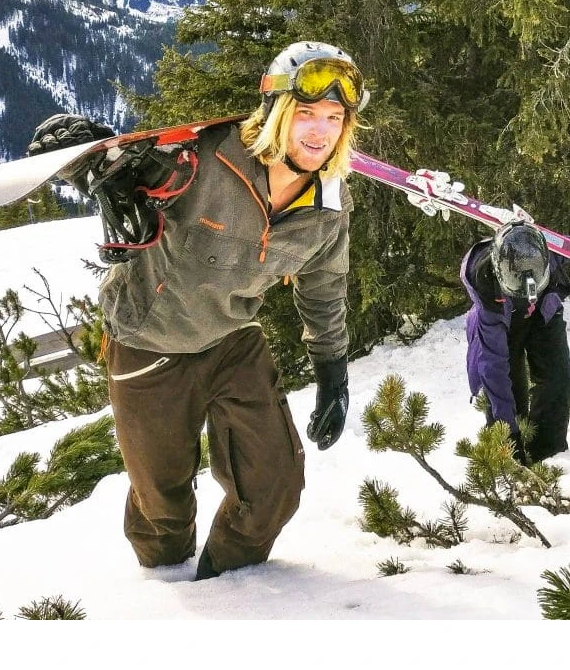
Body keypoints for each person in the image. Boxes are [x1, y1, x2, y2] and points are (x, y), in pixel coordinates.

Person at [27, 41, 370, 579]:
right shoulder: (203, 161)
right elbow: (128, 174)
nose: (319, 131)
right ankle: (163, 586)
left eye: (334, 117)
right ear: (277, 111)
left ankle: (228, 583)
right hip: (148, 342)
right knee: (161, 509)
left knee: (274, 487)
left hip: (232, 340)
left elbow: (324, 285)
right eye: (306, 113)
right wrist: (87, 156)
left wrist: (333, 371)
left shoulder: (329, 203)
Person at [461, 219, 570, 464]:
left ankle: (548, 457)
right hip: (503, 323)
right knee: (509, 389)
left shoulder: (549, 251)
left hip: (543, 316)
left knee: (558, 383)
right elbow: (494, 370)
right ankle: (510, 461)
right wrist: (509, 435)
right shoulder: (485, 288)